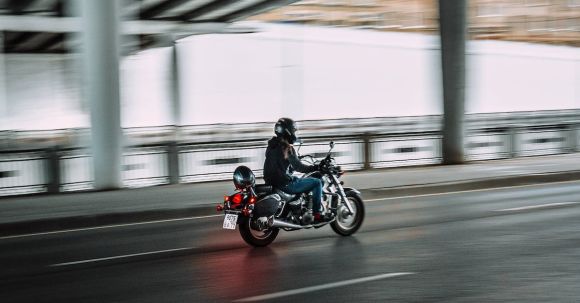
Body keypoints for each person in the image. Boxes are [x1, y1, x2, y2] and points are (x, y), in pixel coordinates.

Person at [263, 117, 330, 223]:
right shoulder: (287, 147)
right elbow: (300, 167)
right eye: (294, 131)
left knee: (296, 178)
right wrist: (317, 167)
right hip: (284, 183)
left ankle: (299, 207)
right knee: (317, 182)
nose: (295, 133)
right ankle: (317, 215)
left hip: (271, 182)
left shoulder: (271, 146)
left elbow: (279, 163)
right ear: (288, 131)